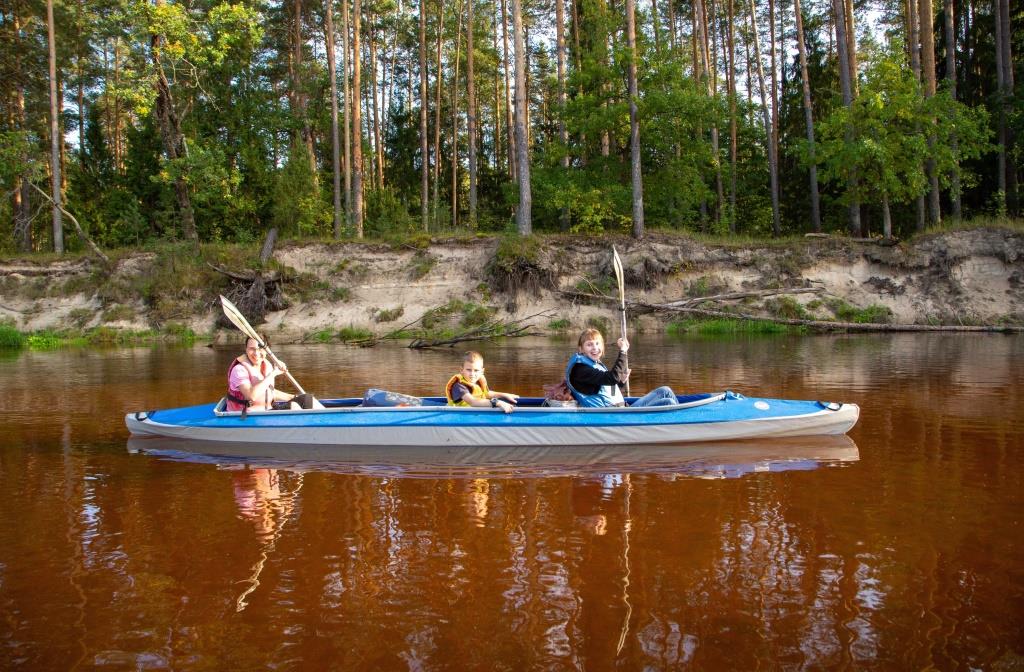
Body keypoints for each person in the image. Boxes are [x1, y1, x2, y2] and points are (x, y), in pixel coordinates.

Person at [565, 328, 678, 407]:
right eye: (589, 344)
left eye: (597, 343)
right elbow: (612, 378)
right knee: (668, 403)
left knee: (665, 391)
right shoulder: (581, 370)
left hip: (622, 409)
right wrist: (623, 351)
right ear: (581, 349)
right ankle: (679, 428)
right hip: (612, 415)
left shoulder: (594, 364)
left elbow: (610, 387)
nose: (595, 348)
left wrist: (621, 382)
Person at [226, 337, 303, 412]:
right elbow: (251, 396)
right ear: (246, 350)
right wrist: (274, 373)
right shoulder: (239, 370)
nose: (256, 353)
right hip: (245, 415)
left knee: (307, 400)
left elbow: (269, 392)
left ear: (267, 350)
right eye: (252, 349)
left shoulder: (267, 365)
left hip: (266, 410)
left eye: (260, 348)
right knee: (295, 407)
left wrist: (294, 397)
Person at [445, 351, 519, 414]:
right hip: (461, 415)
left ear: (482, 371)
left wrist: (504, 395)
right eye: (468, 370)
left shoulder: (477, 381)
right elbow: (473, 402)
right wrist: (498, 402)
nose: (472, 374)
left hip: (475, 413)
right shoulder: (459, 386)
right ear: (461, 370)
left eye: (476, 370)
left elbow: (487, 394)